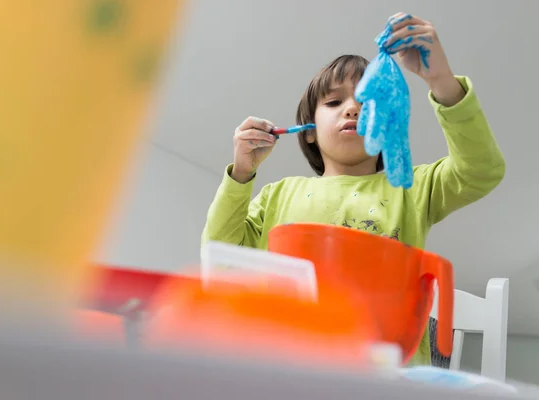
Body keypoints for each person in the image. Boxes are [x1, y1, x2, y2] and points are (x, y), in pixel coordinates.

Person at [201, 12, 506, 366]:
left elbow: (483, 170)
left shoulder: (412, 188)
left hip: (388, 378)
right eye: (334, 102)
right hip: (288, 370)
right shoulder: (278, 196)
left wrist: (441, 79)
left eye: (368, 104)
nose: (353, 109)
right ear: (309, 130)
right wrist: (241, 174)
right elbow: (220, 263)